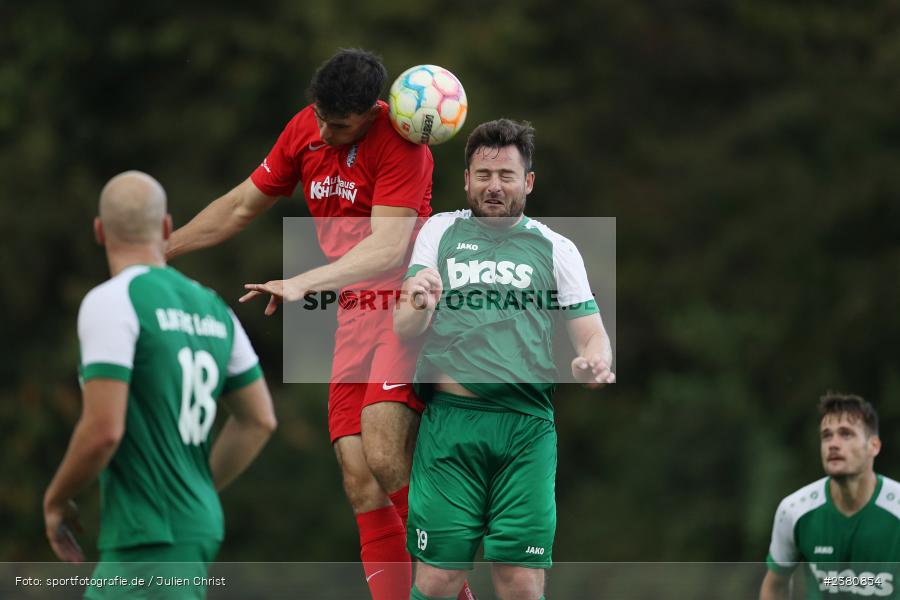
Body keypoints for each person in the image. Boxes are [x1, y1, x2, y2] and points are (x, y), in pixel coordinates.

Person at [165, 48, 466, 600]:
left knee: (381, 451)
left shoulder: (403, 145)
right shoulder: (308, 127)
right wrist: (160, 250)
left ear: (372, 113)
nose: (325, 132)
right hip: (353, 311)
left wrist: (304, 282)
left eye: (340, 125)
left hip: (407, 307)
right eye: (321, 117)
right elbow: (239, 206)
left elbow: (388, 246)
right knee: (358, 477)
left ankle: (453, 591)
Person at [393, 118, 615, 600]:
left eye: (506, 176)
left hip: (525, 432)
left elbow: (592, 333)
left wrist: (595, 363)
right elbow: (404, 325)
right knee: (436, 580)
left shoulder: (556, 247)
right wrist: (417, 301)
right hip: (452, 426)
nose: (494, 187)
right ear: (466, 179)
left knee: (520, 582)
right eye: (483, 175)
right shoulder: (440, 230)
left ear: (528, 182)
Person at [44, 171, 277, 599]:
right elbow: (259, 420)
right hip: (193, 526)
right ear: (167, 227)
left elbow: (103, 432)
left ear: (100, 231)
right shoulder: (214, 307)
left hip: (148, 535)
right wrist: (195, 487)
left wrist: (55, 500)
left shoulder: (113, 301)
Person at [760, 392, 900, 600]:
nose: (833, 444)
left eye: (846, 434)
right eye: (826, 435)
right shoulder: (794, 510)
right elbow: (775, 586)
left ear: (874, 446)